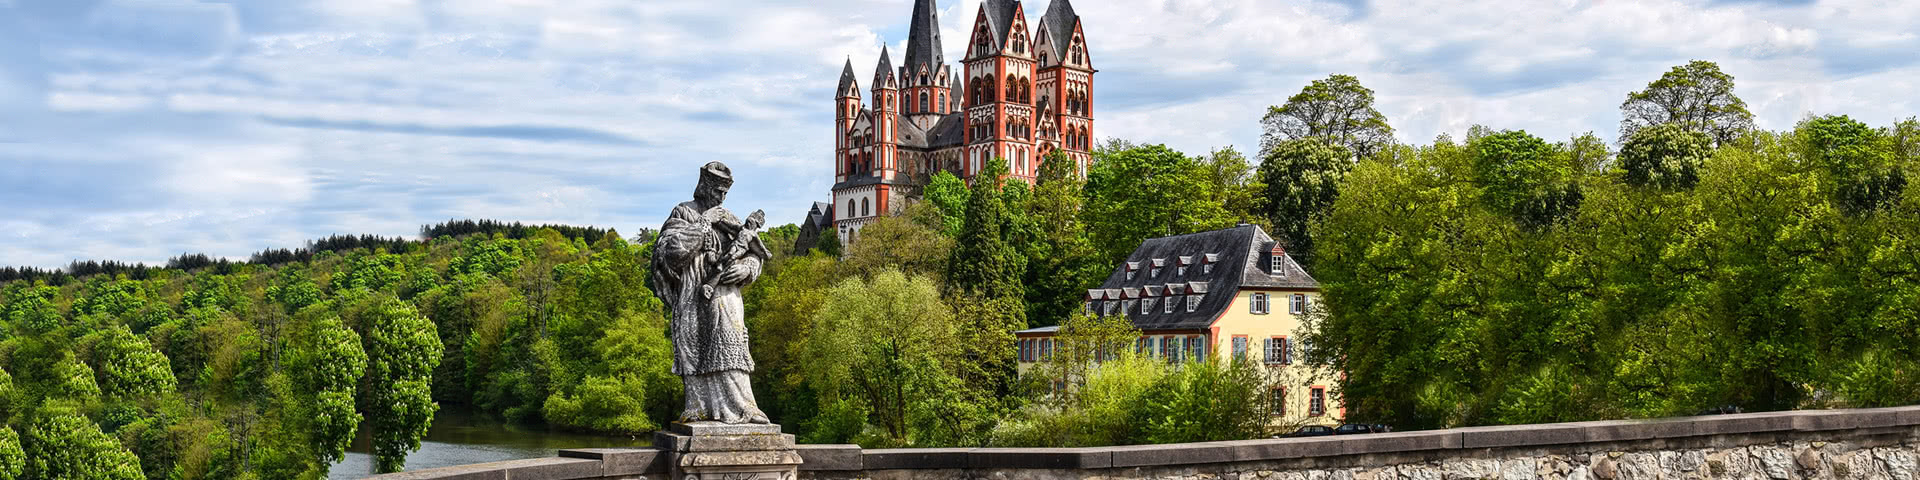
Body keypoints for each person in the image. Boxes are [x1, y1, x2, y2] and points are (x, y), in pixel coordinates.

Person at [648, 161, 770, 424]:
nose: (721, 198)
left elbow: (755, 253)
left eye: (725, 193)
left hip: (726, 296)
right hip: (692, 295)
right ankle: (697, 408)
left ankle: (744, 407)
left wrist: (747, 270)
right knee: (692, 347)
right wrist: (705, 223)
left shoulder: (730, 219)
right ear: (704, 187)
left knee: (731, 343)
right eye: (717, 191)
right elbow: (670, 253)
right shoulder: (684, 213)